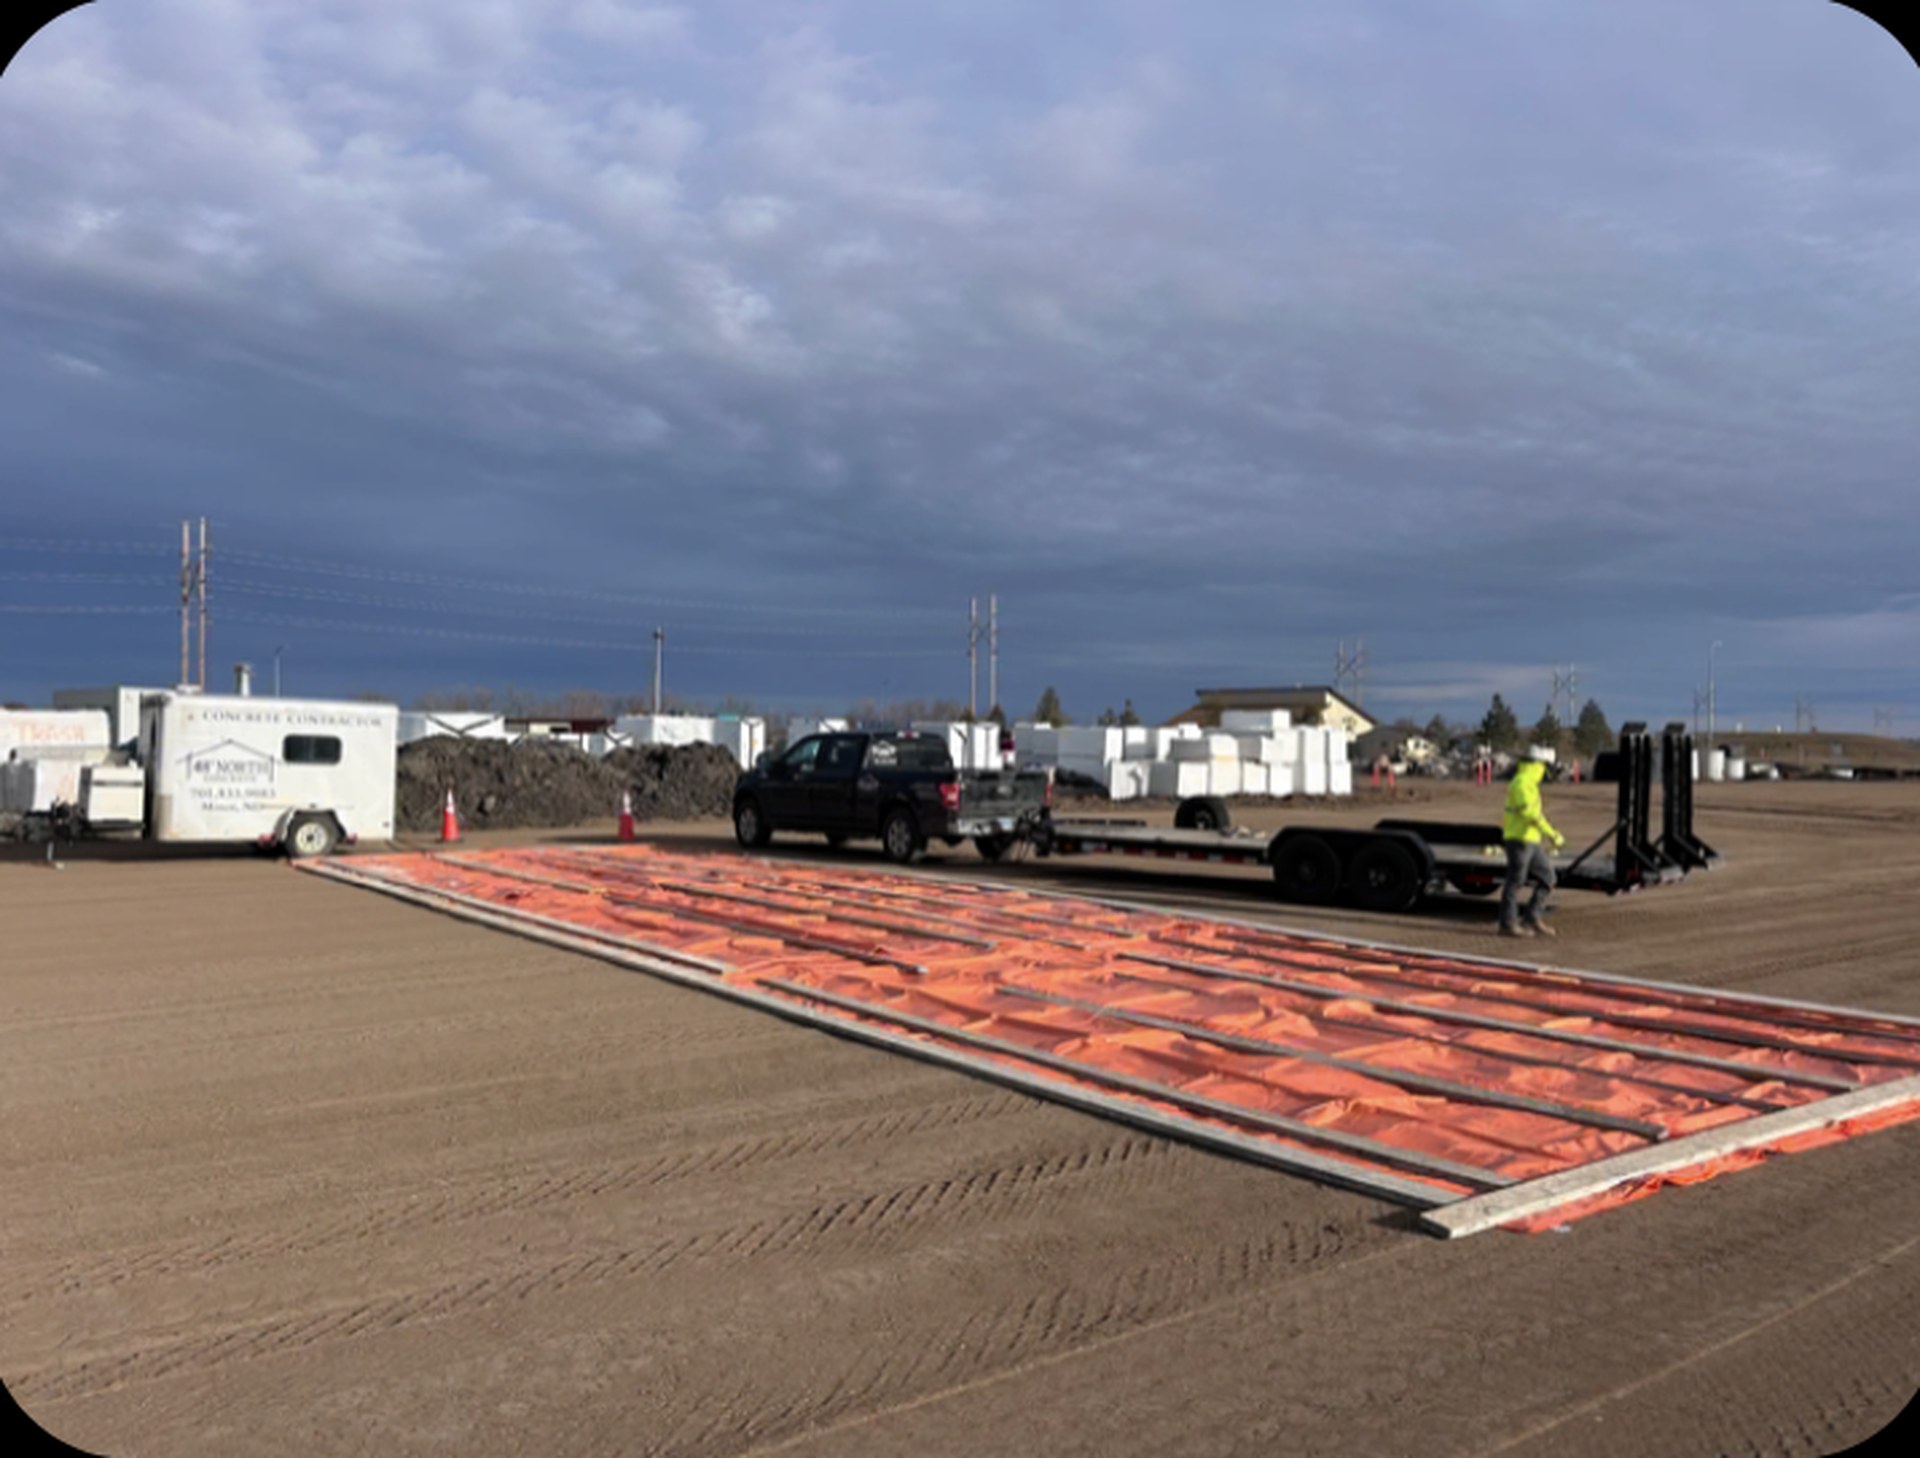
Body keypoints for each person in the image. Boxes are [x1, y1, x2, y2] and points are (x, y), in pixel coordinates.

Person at [1500, 745, 1566, 937]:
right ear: (1537, 765)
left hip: (1531, 839)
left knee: (1548, 878)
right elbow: (1530, 814)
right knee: (1515, 881)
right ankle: (1508, 924)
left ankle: (1532, 917)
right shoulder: (1521, 783)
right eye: (1544, 767)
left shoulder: (1529, 783)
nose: (1545, 772)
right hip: (1519, 839)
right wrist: (1551, 833)